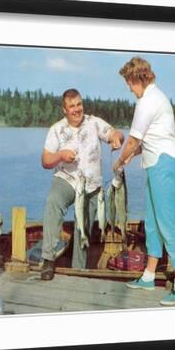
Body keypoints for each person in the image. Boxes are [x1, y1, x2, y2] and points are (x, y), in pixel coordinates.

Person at [114, 57, 175, 306]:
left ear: (138, 78)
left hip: (164, 164)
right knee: (153, 224)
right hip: (157, 163)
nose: (128, 87)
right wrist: (128, 157)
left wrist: (119, 161)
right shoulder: (156, 97)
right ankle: (148, 276)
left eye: (128, 82)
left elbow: (134, 141)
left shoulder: (147, 102)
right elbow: (144, 142)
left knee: (167, 224)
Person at [40, 88, 124, 280]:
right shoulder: (56, 129)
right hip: (67, 180)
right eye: (72, 106)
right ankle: (48, 259)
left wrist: (116, 139)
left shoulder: (94, 122)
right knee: (53, 201)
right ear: (64, 109)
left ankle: (78, 270)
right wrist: (60, 155)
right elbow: (45, 160)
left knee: (83, 226)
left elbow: (115, 133)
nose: (77, 109)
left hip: (92, 185)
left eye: (79, 104)